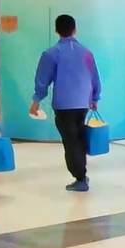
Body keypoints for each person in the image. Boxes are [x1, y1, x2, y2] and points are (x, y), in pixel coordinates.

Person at [31, 14, 100, 192]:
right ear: (74, 30)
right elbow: (94, 77)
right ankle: (81, 174)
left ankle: (80, 177)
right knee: (79, 139)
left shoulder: (51, 53)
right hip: (82, 104)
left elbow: (42, 79)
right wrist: (94, 98)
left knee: (70, 142)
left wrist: (37, 100)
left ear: (56, 31)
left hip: (63, 105)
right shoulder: (87, 53)